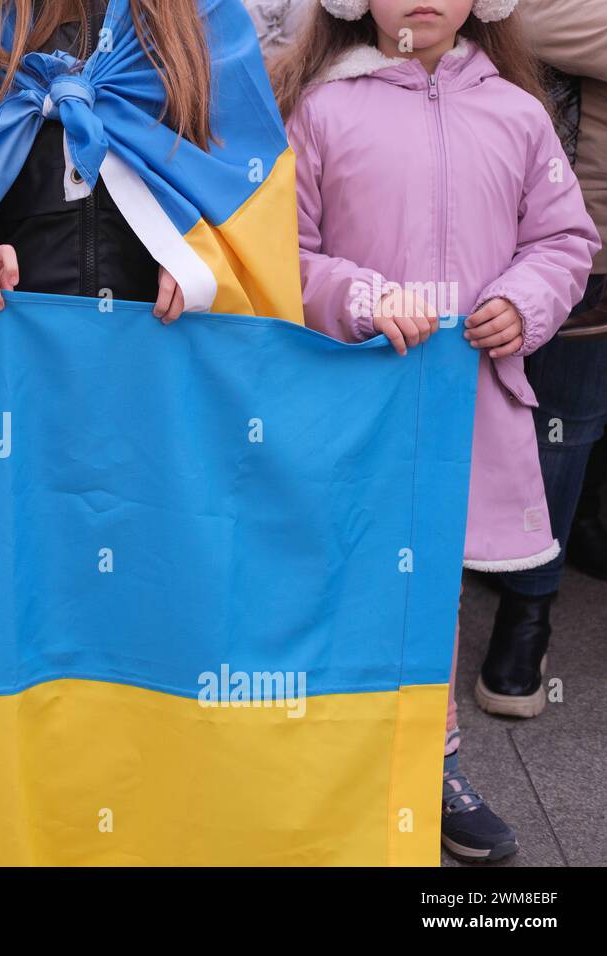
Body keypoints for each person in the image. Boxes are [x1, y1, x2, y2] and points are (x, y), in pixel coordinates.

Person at [273, 0, 599, 861]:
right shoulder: (320, 110)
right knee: (335, 575)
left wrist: (522, 303)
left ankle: (429, 761)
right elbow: (283, 252)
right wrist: (361, 297)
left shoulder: (518, 113)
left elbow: (564, 239)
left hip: (464, 403)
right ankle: (325, 756)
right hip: (350, 399)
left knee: (433, 590)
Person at [0, 0, 304, 326]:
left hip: (160, 343)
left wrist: (201, 261)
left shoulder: (201, 11)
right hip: (7, 342)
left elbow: (250, 177)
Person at [481, 0, 607, 720]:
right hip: (562, 230)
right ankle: (525, 616)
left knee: (575, 430)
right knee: (560, 425)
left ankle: (541, 581)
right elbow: (523, 23)